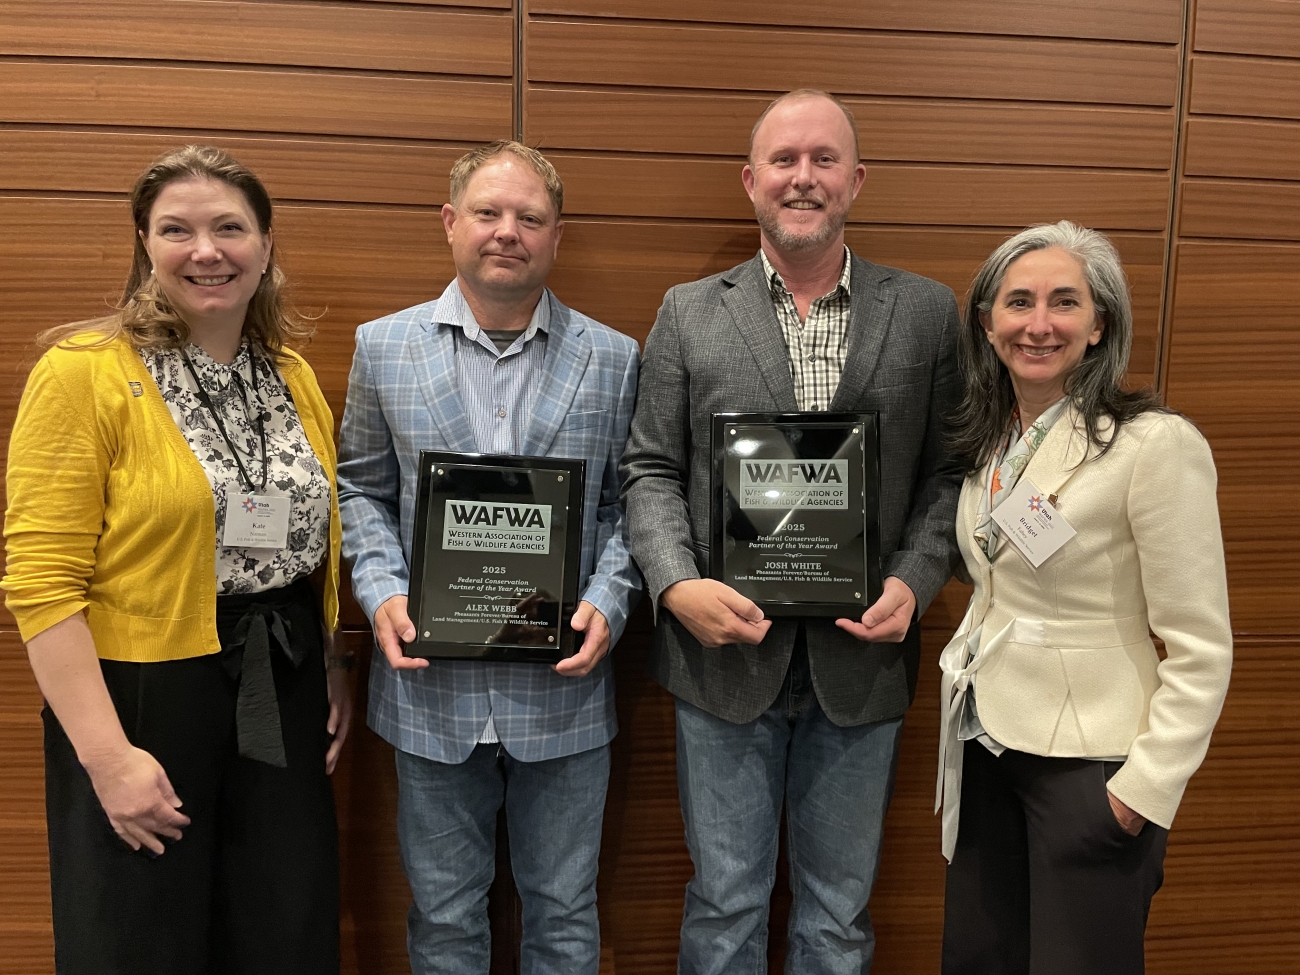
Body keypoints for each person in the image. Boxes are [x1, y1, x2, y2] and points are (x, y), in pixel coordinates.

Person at [620, 89, 963, 973]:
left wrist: (916, 579)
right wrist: (675, 584)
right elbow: (650, 468)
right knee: (724, 904)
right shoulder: (688, 310)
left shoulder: (927, 312)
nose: (802, 177)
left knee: (838, 917)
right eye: (784, 160)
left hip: (863, 657)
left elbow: (953, 473)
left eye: (823, 159)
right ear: (751, 180)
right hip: (722, 661)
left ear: (857, 179)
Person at [3, 145, 350, 974]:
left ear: (265, 244)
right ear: (144, 243)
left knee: (282, 925)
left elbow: (314, 543)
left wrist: (333, 663)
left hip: (282, 678)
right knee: (140, 932)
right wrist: (107, 757)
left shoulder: (290, 375)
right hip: (142, 695)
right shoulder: (82, 373)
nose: (206, 251)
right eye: (177, 230)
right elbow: (41, 584)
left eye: (229, 228)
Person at [336, 140, 640, 975]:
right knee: (443, 920)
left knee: (565, 916)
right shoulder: (382, 347)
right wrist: (382, 591)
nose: (508, 231)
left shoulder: (615, 357)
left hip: (564, 692)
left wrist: (611, 600)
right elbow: (359, 488)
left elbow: (633, 503)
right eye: (488, 212)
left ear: (556, 236)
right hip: (429, 691)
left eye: (530, 217)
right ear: (450, 222)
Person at [935, 220, 1232, 974]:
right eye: (1019, 302)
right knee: (980, 959)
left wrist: (1142, 791)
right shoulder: (990, 444)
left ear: (1100, 324)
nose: (1038, 324)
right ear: (987, 323)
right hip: (985, 745)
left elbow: (1201, 646)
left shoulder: (1154, 445)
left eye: (1064, 302)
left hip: (1091, 767)